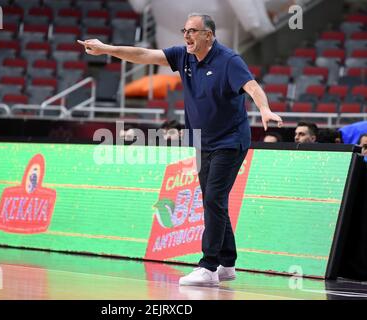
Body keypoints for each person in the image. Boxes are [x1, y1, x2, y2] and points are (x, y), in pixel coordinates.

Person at [78, 13, 283, 287]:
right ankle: (227, 263)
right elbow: (143, 54)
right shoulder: (183, 56)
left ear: (208, 35)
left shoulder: (229, 60)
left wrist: (265, 109)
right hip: (201, 141)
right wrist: (107, 49)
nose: (186, 36)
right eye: (184, 30)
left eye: (193, 31)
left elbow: (252, 86)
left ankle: (209, 267)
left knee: (213, 199)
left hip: (230, 141)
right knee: (214, 201)